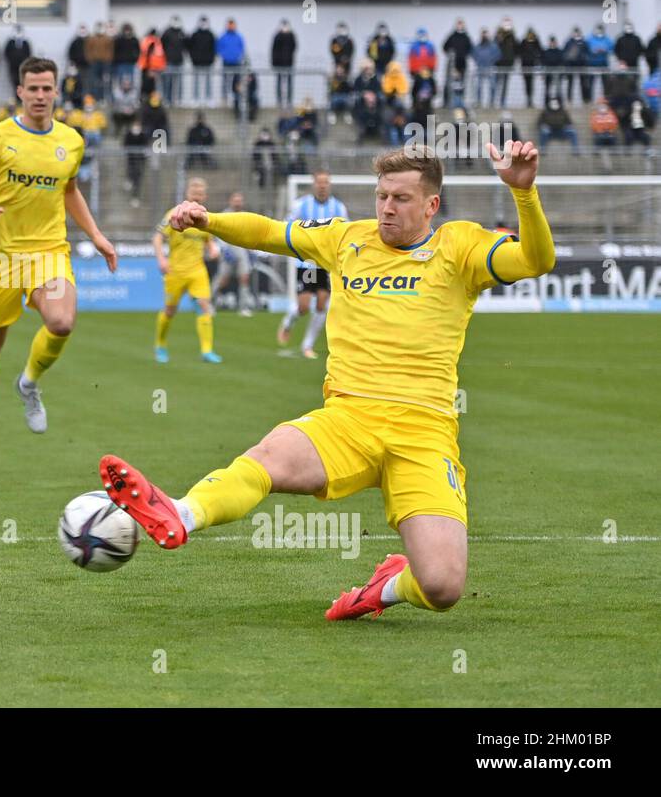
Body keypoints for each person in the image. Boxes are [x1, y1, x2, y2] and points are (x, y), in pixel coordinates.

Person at [97, 141, 556, 623]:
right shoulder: (346, 239)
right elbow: (270, 232)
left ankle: (388, 588)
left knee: (442, 586)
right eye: (382, 195)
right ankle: (180, 512)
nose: (386, 208)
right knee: (268, 457)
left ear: (431, 205)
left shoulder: (460, 246)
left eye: (400, 198)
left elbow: (535, 260)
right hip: (348, 418)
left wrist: (524, 194)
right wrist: (209, 220)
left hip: (425, 432)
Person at [0, 57, 117, 475]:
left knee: (61, 322)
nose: (40, 95)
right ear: (20, 92)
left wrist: (95, 235)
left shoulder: (72, 140)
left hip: (48, 253)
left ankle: (30, 382)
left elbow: (69, 189)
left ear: (57, 92)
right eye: (32, 88)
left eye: (47, 88)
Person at [277, 170, 348, 360]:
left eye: (326, 182)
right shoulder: (301, 205)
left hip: (326, 264)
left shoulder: (338, 207)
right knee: (304, 306)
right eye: (319, 182)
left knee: (322, 305)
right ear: (314, 184)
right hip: (307, 263)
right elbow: (287, 227)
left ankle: (307, 345)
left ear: (329, 184)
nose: (322, 185)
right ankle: (289, 320)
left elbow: (346, 233)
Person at [153, 177, 222, 365]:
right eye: (194, 193)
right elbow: (158, 238)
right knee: (169, 310)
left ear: (205, 196)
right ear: (187, 194)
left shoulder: (206, 218)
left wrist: (213, 248)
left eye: (200, 193)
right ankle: (160, 345)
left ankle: (207, 351)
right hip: (175, 271)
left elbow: (208, 240)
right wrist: (161, 259)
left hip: (197, 270)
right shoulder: (174, 214)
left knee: (204, 305)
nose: (197, 196)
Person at [212, 191, 256, 316]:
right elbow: (217, 233)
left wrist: (251, 252)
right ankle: (210, 303)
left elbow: (250, 235)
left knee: (244, 278)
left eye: (239, 200)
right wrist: (224, 249)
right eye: (235, 200)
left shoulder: (246, 216)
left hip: (242, 251)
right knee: (223, 280)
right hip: (228, 251)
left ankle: (243, 307)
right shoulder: (224, 215)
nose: (237, 203)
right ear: (230, 201)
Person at [217, 18, 246, 111]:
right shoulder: (223, 37)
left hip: (236, 62)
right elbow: (219, 48)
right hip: (226, 62)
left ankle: (236, 99)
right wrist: (224, 55)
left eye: (232, 24)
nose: (231, 26)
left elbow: (242, 48)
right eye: (229, 24)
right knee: (225, 82)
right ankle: (224, 100)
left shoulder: (238, 37)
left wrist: (238, 56)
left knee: (236, 82)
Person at [441, 20, 472, 106]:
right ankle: (446, 102)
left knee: (461, 84)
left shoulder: (466, 37)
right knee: (449, 83)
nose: (460, 26)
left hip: (462, 64)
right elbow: (444, 47)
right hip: (452, 65)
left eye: (461, 24)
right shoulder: (452, 36)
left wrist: (464, 55)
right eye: (458, 24)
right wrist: (450, 53)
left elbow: (470, 48)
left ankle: (459, 103)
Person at [188, 16, 217, 105]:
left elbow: (214, 48)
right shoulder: (195, 34)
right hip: (197, 62)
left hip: (208, 62)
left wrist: (212, 59)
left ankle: (209, 99)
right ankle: (195, 98)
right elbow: (190, 47)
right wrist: (193, 58)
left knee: (208, 81)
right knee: (196, 81)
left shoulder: (211, 34)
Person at [84, 22, 114, 102]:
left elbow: (111, 50)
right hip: (95, 62)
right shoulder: (92, 38)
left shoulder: (107, 38)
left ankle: (104, 97)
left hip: (105, 62)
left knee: (105, 80)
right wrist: (90, 59)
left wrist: (108, 59)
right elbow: (88, 50)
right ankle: (96, 97)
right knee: (95, 81)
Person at [160, 16, 186, 106]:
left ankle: (178, 100)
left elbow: (186, 45)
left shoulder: (181, 32)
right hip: (169, 61)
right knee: (168, 81)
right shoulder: (167, 32)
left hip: (179, 61)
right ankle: (167, 99)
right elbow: (161, 44)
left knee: (179, 82)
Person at [123, 120, 148, 207]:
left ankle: (135, 196)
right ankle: (129, 179)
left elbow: (145, 146)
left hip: (140, 160)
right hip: (130, 159)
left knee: (137, 177)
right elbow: (125, 145)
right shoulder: (128, 134)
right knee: (131, 170)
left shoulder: (143, 135)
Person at [494, 18, 518, 107]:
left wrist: (513, 61)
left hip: (508, 63)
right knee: (496, 83)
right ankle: (494, 101)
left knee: (505, 84)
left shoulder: (512, 37)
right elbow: (494, 48)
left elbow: (516, 49)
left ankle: (502, 102)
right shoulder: (498, 35)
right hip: (499, 63)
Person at [472, 28, 499, 107]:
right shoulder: (477, 46)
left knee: (493, 86)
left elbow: (498, 55)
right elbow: (474, 54)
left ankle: (492, 102)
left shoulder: (493, 46)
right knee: (479, 86)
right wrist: (478, 61)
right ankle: (479, 102)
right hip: (480, 68)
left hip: (490, 68)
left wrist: (491, 60)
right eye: (483, 34)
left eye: (486, 34)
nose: (484, 36)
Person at [111, 23, 139, 93]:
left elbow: (138, 51)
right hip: (121, 63)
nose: (127, 31)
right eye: (126, 30)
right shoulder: (119, 40)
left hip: (131, 63)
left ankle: (130, 95)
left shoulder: (134, 39)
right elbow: (115, 51)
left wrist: (135, 59)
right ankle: (121, 94)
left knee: (131, 80)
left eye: (128, 30)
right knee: (121, 79)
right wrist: (116, 60)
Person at [4, 25, 32, 91]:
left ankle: (21, 97)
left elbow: (28, 53)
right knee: (14, 81)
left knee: (22, 81)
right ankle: (16, 97)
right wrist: (11, 60)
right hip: (13, 65)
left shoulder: (25, 42)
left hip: (23, 65)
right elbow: (6, 52)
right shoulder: (10, 42)